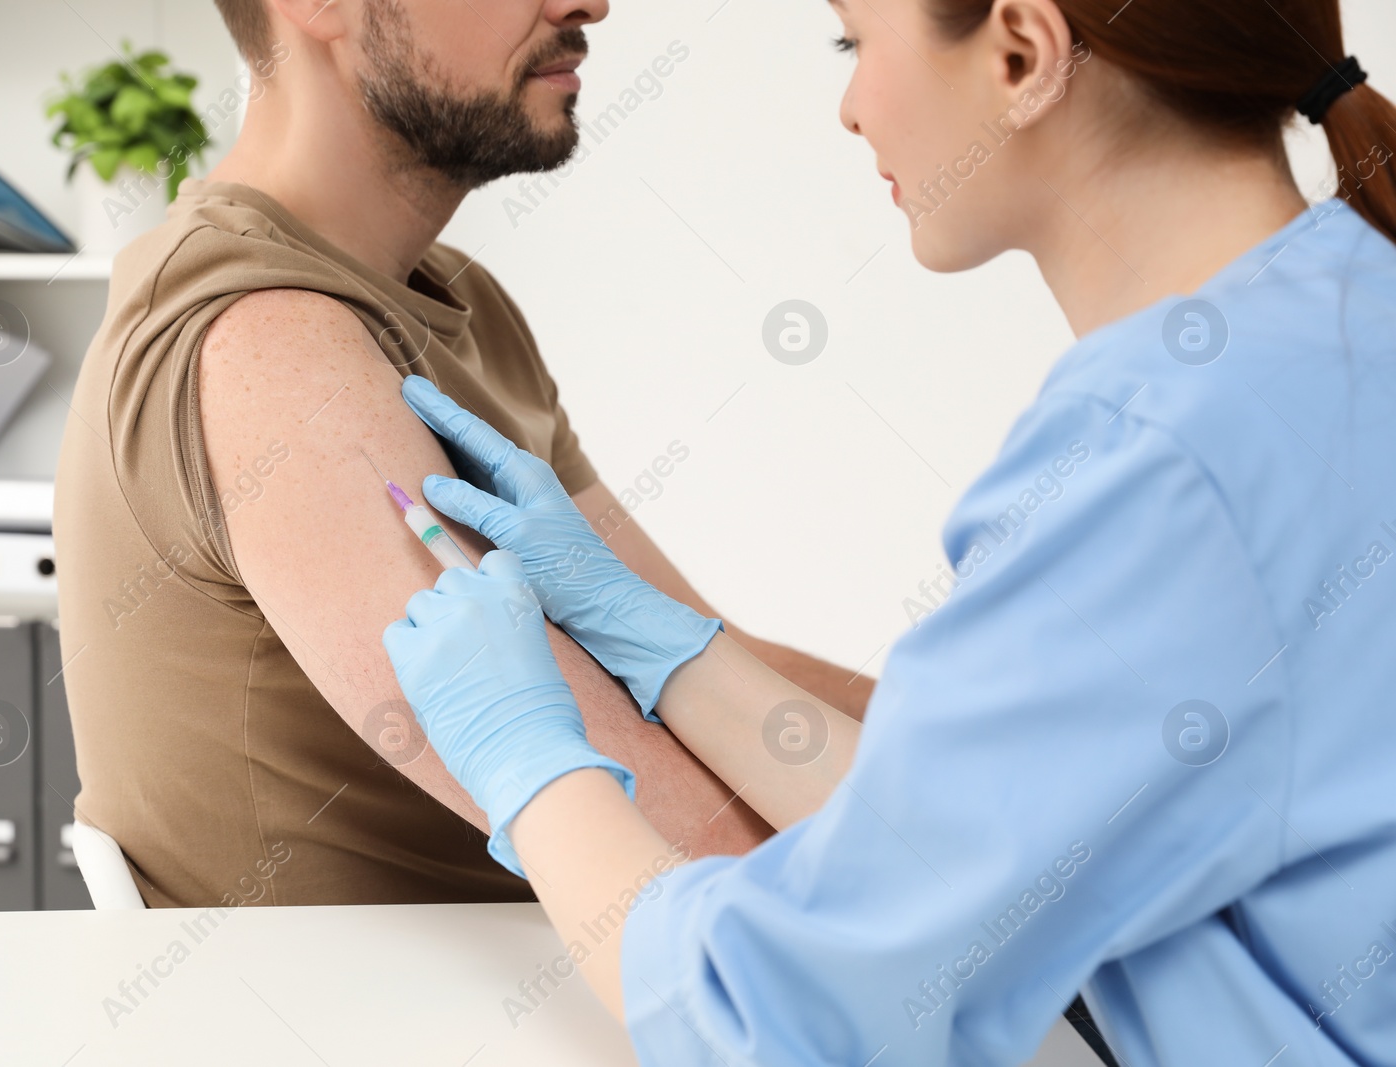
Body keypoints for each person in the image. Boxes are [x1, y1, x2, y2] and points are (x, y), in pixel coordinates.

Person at [380, 0, 1396, 1062]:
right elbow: (976, 838)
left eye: (853, 43)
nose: (850, 109)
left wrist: (526, 759)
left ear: (1020, 52)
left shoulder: (1157, 464)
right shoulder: (1335, 313)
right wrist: (650, 634)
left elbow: (778, 1016)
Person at [53, 0, 872, 908]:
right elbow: (712, 869)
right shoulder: (271, 343)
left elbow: (712, 666)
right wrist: (970, 827)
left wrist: (999, 741)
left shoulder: (457, 297)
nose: (590, 4)